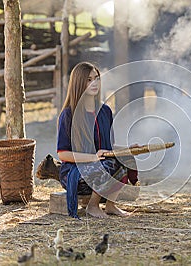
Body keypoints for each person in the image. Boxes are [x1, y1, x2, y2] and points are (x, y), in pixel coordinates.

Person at [57, 62, 139, 219]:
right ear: (78, 83)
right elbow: (63, 154)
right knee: (108, 164)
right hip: (76, 173)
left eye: (96, 78)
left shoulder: (105, 111)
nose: (94, 83)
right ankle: (92, 206)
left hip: (101, 167)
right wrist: (93, 158)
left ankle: (110, 205)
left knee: (123, 159)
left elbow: (109, 148)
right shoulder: (68, 115)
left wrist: (127, 150)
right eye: (88, 79)